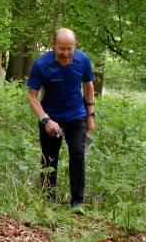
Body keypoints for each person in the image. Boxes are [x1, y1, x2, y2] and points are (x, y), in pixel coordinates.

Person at [27, 27, 96, 211]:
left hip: (76, 116)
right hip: (51, 117)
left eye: (70, 48)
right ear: (53, 46)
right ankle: (49, 201)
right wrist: (45, 120)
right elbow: (32, 97)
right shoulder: (41, 65)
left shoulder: (83, 60)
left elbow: (88, 86)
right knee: (49, 159)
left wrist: (90, 115)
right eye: (61, 48)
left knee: (78, 155)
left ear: (75, 46)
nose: (66, 53)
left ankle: (77, 203)